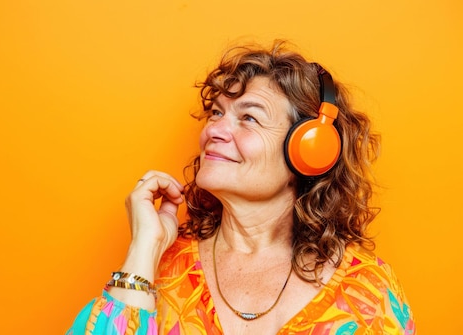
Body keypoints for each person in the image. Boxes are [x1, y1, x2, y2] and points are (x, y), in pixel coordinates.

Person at [66, 40, 415, 335]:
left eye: (249, 117)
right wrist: (144, 248)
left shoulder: (366, 290)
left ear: (311, 150)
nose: (213, 131)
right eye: (216, 113)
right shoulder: (162, 269)